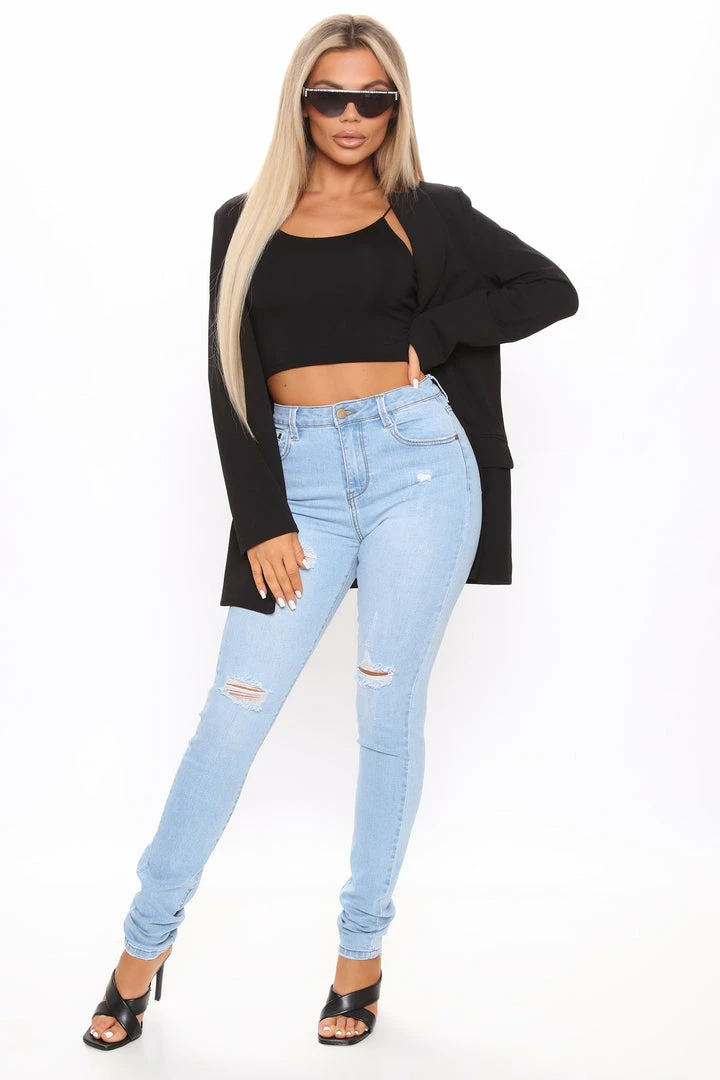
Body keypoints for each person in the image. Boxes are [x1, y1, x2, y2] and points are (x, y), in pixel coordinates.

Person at [83, 13, 579, 1053]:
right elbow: (228, 375)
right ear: (300, 105)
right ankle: (141, 949)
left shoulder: (427, 213)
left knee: (386, 713)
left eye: (372, 99)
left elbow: (550, 289)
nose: (351, 117)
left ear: (395, 107)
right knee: (233, 716)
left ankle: (361, 954)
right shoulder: (243, 221)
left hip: (418, 469)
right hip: (298, 481)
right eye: (330, 97)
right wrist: (261, 516)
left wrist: (434, 334)